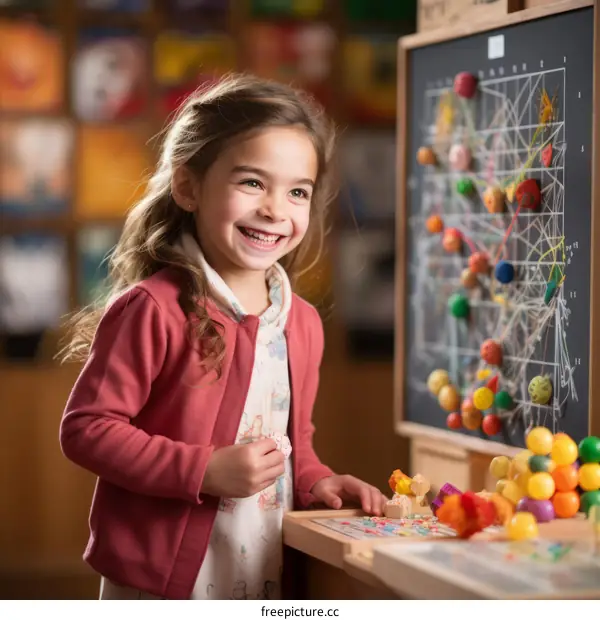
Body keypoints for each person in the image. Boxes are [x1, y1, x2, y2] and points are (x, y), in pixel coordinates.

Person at [58, 73, 387, 601]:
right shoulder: (151, 309)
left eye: (297, 192)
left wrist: (314, 481)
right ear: (188, 187)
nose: (275, 209)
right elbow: (87, 429)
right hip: (163, 585)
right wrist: (203, 470)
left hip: (264, 571)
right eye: (252, 183)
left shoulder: (300, 323)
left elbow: (292, 443)